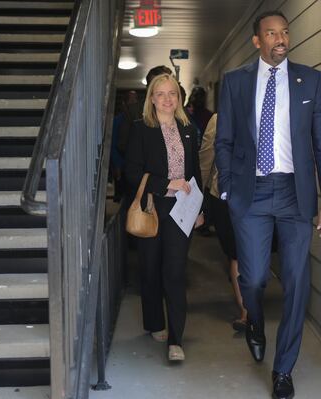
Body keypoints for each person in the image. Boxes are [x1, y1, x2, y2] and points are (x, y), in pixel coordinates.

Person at [215, 10, 321, 399]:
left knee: (298, 283)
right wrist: (228, 190)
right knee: (252, 279)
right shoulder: (236, 83)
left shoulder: (311, 81)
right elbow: (225, 140)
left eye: (285, 32)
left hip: (295, 194)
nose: (280, 39)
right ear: (257, 41)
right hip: (250, 194)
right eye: (271, 33)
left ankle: (283, 370)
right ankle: (253, 320)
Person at [125, 73, 204, 362]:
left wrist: (199, 208)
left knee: (174, 272)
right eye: (161, 94)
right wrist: (164, 183)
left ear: (179, 98)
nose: (168, 99)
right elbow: (132, 174)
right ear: (152, 98)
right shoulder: (141, 129)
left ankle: (176, 339)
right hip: (152, 207)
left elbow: (195, 172)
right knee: (150, 269)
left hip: (182, 210)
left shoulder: (188, 129)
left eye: (173, 93)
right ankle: (154, 322)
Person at [199, 114, 248, 331]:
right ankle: (246, 311)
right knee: (236, 253)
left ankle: (249, 307)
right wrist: (198, 195)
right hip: (225, 196)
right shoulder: (219, 120)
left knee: (252, 252)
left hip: (263, 196)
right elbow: (206, 159)